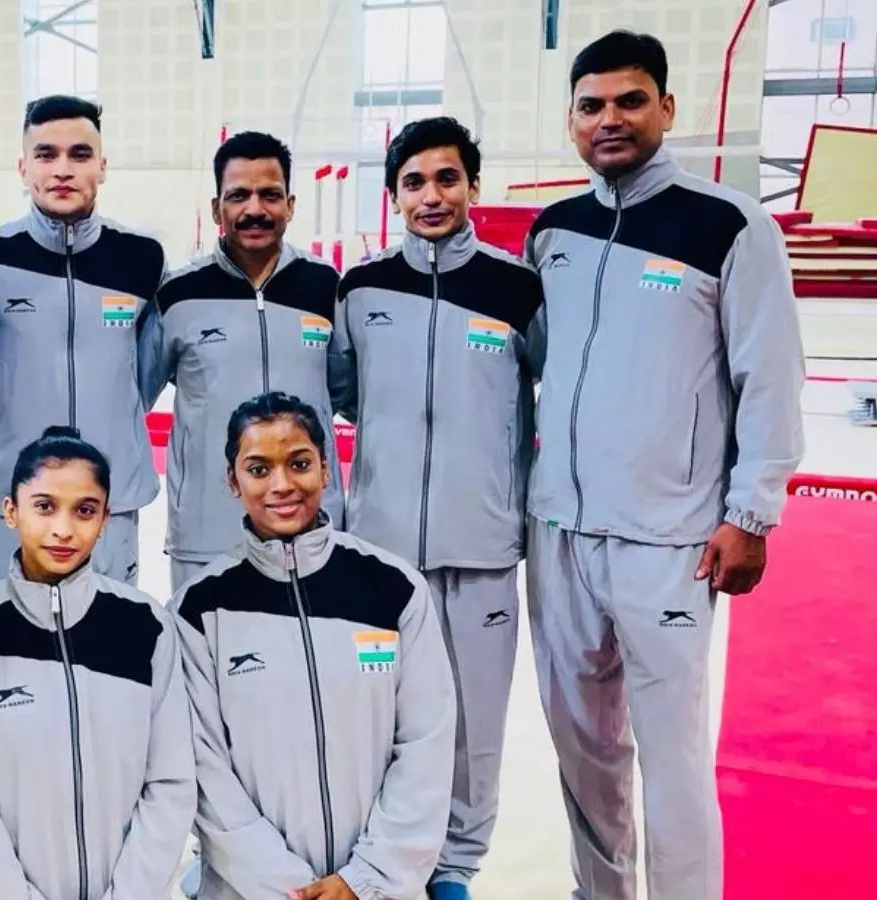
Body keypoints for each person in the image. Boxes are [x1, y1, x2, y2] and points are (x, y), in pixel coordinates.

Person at [524, 31, 805, 900]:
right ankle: (599, 892)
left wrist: (752, 512)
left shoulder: (729, 225)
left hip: (669, 538)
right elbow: (537, 362)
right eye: (591, 105)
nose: (609, 119)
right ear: (571, 120)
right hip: (560, 532)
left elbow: (769, 376)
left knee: (672, 752)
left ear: (667, 108)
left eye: (630, 101)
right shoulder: (553, 232)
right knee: (582, 747)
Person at [330, 117, 542, 899]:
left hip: (481, 546)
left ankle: (454, 866)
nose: (431, 195)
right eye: (413, 182)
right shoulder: (361, 289)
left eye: (447, 178)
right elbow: (344, 392)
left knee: (473, 725)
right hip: (380, 549)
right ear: (393, 196)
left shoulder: (518, 289)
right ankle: (377, 857)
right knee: (377, 716)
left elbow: (552, 381)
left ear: (473, 186)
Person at [171, 391, 456, 900]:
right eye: (259, 469)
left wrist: (364, 879)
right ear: (233, 481)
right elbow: (204, 769)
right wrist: (289, 889)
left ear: (326, 470)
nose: (281, 484)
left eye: (299, 464)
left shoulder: (393, 589)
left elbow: (425, 746)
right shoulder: (199, 609)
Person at [0, 425, 196, 900]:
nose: (64, 529)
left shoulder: (147, 626)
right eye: (45, 506)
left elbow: (171, 782)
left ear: (106, 518)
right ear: (10, 511)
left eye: (85, 511)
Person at [0, 95, 167, 588]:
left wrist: (111, 417)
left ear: (102, 165)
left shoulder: (142, 258)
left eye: (79, 154)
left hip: (110, 504)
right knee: (3, 635)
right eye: (45, 154)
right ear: (23, 167)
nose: (62, 169)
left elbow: (144, 376)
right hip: (14, 504)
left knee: (110, 634)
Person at [142, 131, 346, 593]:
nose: (255, 209)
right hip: (206, 534)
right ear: (218, 209)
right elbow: (136, 392)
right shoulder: (178, 295)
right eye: (238, 196)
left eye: (270, 195)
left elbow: (342, 390)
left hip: (308, 530)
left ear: (290, 205)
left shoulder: (325, 288)